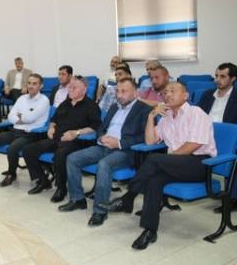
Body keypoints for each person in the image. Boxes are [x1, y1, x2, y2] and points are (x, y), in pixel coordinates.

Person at [99, 82, 217, 250]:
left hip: (200, 164)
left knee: (154, 159)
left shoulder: (196, 113)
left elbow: (194, 144)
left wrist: (167, 159)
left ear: (185, 96)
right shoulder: (166, 117)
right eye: (166, 92)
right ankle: (150, 230)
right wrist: (151, 117)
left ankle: (128, 198)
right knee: (154, 181)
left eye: (173, 91)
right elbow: (150, 141)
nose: (168, 94)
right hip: (176, 164)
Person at [61, 79, 151, 226]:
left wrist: (119, 142)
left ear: (135, 93)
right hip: (103, 146)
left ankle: (100, 211)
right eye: (117, 91)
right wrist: (102, 137)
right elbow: (101, 127)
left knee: (104, 164)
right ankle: (77, 199)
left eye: (124, 91)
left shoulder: (144, 110)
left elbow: (144, 137)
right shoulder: (114, 107)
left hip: (125, 151)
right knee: (72, 158)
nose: (119, 95)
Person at [23, 76, 102, 202]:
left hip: (76, 141)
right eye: (70, 87)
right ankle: (43, 180)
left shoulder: (91, 106)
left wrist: (76, 132)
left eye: (74, 87)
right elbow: (54, 119)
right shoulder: (65, 103)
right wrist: (51, 128)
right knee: (29, 150)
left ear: (84, 90)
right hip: (57, 138)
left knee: (60, 155)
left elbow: (95, 127)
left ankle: (61, 188)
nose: (70, 89)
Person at [0, 74, 50, 188]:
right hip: (15, 131)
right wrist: (22, 118)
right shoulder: (22, 98)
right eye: (29, 83)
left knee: (12, 148)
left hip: (30, 134)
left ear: (41, 86)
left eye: (34, 84)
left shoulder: (44, 100)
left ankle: (11, 174)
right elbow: (10, 116)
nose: (30, 86)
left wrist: (19, 116)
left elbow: (30, 118)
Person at [197, 62, 237, 212]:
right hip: (205, 137)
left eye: (222, 76)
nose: (217, 80)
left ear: (233, 78)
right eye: (216, 76)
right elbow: (197, 117)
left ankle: (233, 198)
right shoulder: (207, 95)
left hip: (228, 139)